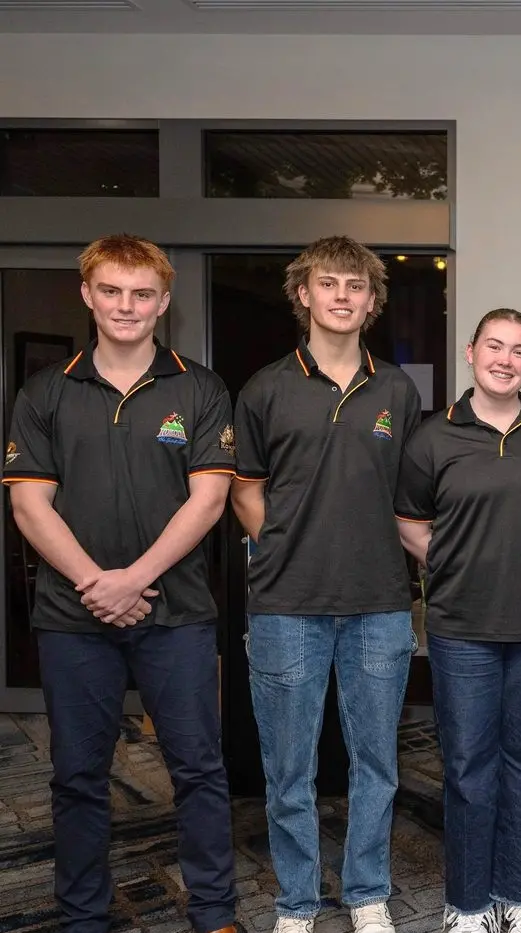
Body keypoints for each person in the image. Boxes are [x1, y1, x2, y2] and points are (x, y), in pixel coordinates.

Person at [3, 234, 237, 933]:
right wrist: (94, 583)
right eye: (112, 290)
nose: (126, 306)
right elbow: (27, 503)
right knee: (78, 775)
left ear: (163, 302)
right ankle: (83, 915)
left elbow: (209, 500)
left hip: (180, 612)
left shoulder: (199, 388)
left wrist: (133, 578)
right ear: (88, 294)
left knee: (198, 767)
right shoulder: (46, 390)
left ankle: (216, 912)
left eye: (141, 294)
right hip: (73, 617)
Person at [232, 236, 422, 933]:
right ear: (303, 294)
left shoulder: (397, 391)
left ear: (371, 301)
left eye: (355, 285)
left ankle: (367, 890)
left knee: (377, 763)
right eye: (328, 283)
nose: (342, 294)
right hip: (286, 607)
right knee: (289, 771)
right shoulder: (264, 387)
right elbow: (245, 488)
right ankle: (297, 902)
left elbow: (408, 498)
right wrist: (281, 547)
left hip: (379, 605)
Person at [395, 309, 521, 933]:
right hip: (461, 628)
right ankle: (469, 904)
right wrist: (450, 561)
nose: (506, 359)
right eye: (494, 347)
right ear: (471, 353)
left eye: (520, 350)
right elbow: (409, 521)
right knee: (470, 768)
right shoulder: (432, 435)